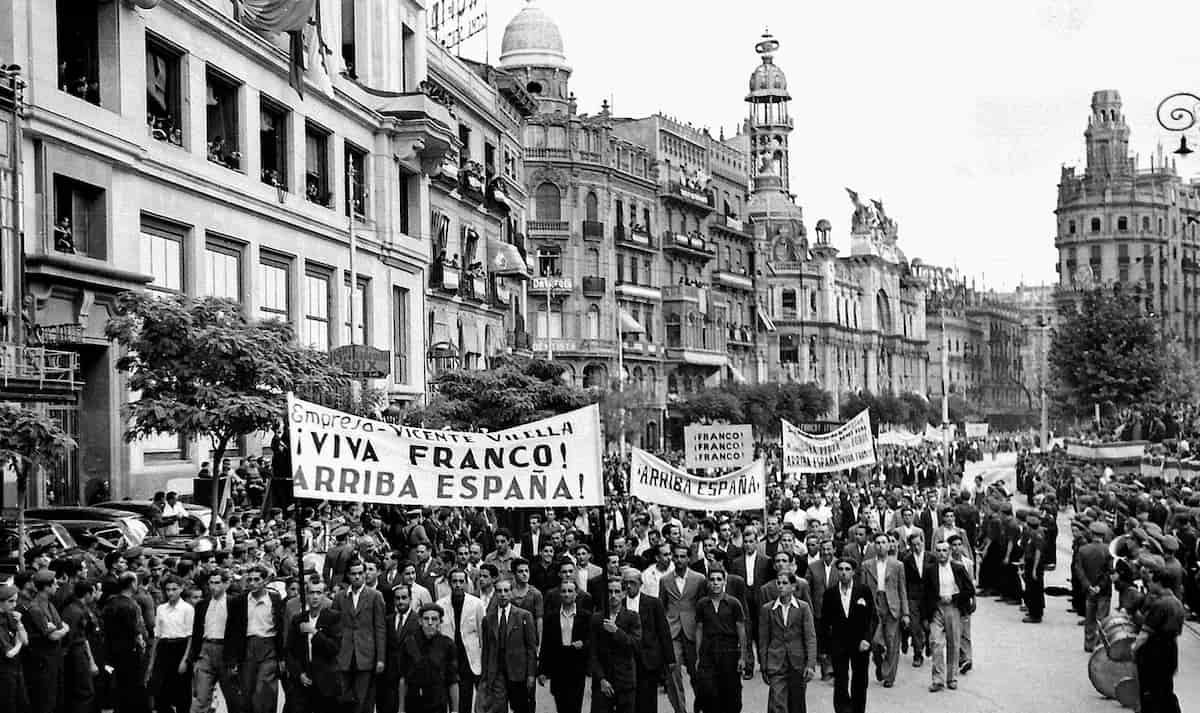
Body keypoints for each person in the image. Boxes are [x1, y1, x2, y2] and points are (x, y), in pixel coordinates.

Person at [821, 557, 875, 713]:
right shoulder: (830, 593)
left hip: (860, 642)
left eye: (847, 569)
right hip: (839, 642)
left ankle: (858, 710)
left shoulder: (863, 590)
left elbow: (871, 617)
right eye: (841, 569)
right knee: (841, 680)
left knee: (859, 680)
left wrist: (867, 639)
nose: (844, 573)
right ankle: (843, 710)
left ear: (853, 572)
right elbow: (824, 621)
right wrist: (824, 648)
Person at [333, 559, 387, 713]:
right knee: (343, 698)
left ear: (365, 574)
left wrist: (381, 658)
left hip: (366, 654)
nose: (357, 577)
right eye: (353, 574)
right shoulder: (340, 597)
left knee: (363, 700)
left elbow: (380, 628)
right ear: (348, 576)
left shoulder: (375, 596)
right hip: (344, 654)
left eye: (360, 573)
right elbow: (334, 627)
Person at [758, 572, 817, 713]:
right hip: (776, 662)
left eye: (785, 583)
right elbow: (764, 639)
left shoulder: (803, 608)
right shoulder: (768, 609)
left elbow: (810, 637)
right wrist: (764, 665)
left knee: (797, 704)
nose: (781, 586)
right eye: (778, 583)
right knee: (776, 703)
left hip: (797, 662)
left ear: (793, 586)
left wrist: (810, 664)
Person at [921, 541, 975, 692]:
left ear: (949, 552)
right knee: (936, 644)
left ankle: (951, 678)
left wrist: (954, 597)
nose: (941, 554)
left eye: (944, 550)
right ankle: (937, 680)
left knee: (953, 643)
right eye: (938, 551)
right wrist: (924, 617)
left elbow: (969, 589)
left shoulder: (958, 568)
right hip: (936, 608)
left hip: (953, 608)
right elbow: (924, 594)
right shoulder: (930, 570)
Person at [659, 543, 706, 713]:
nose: (679, 560)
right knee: (673, 672)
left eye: (682, 557)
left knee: (697, 674)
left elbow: (703, 607)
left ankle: (700, 705)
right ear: (672, 557)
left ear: (688, 558)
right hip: (673, 632)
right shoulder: (665, 580)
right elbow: (662, 606)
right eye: (676, 556)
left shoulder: (699, 579)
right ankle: (680, 710)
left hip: (692, 631)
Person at [1132, 564, 1185, 713]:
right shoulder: (1177, 603)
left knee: (1149, 690)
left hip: (1154, 651)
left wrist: (1134, 649)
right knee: (1166, 690)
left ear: (1158, 583)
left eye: (1151, 581)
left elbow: (1144, 634)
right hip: (1171, 650)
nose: (1149, 584)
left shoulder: (1160, 604)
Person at [231, 565, 284, 713]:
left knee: (264, 688)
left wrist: (282, 657)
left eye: (257, 579)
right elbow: (233, 629)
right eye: (250, 580)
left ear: (265, 580)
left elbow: (280, 627)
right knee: (247, 690)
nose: (252, 583)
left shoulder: (275, 599)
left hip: (269, 647)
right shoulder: (240, 601)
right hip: (247, 648)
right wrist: (233, 658)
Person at [480, 578, 537, 713]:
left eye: (506, 590)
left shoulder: (524, 616)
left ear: (512, 592)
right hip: (497, 671)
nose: (503, 594)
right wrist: (485, 675)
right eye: (499, 591)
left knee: (521, 707)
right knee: (498, 707)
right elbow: (486, 649)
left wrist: (531, 674)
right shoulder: (488, 618)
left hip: (518, 671)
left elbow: (531, 648)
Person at [286, 578, 343, 713]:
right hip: (304, 680)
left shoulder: (334, 617)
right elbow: (289, 651)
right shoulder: (298, 619)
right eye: (311, 593)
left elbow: (334, 648)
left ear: (324, 595)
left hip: (326, 681)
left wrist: (314, 632)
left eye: (319, 593)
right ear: (306, 595)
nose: (315, 597)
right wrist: (299, 673)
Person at [622, 568, 674, 713]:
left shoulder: (653, 603)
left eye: (632, 583)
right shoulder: (619, 603)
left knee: (648, 701)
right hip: (626, 660)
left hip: (648, 660)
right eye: (625, 583)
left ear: (640, 583)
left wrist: (670, 660)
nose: (628, 586)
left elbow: (663, 631)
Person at [694, 567, 746, 713]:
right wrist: (698, 655)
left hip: (729, 651)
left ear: (724, 581)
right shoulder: (702, 604)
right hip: (708, 651)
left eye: (719, 579)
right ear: (707, 583)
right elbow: (699, 629)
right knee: (708, 691)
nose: (715, 583)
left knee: (731, 691)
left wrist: (742, 656)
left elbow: (741, 630)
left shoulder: (734, 603)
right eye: (712, 579)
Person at [861, 533, 908, 688]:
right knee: (875, 641)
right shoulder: (867, 565)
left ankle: (889, 676)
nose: (880, 545)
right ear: (874, 545)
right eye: (878, 543)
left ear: (889, 545)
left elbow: (902, 590)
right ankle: (879, 662)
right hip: (874, 604)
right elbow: (862, 588)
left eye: (883, 542)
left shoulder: (897, 565)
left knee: (892, 642)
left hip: (892, 606)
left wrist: (905, 613)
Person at [537, 579, 591, 713]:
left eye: (570, 591)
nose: (567, 594)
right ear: (559, 594)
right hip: (558, 666)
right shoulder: (551, 617)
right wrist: (543, 670)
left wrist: (583, 644)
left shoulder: (585, 616)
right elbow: (546, 644)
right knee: (561, 705)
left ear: (576, 594)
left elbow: (591, 640)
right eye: (564, 591)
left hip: (577, 665)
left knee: (575, 705)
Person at [588, 577, 641, 713]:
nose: (613, 596)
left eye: (617, 591)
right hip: (603, 680)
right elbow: (592, 653)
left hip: (625, 680)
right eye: (610, 592)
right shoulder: (596, 618)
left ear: (623, 594)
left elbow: (635, 645)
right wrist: (601, 679)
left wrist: (617, 631)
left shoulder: (632, 617)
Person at [436, 569, 485, 713]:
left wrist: (482, 659)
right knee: (447, 699)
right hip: (448, 657)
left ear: (466, 583)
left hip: (467, 658)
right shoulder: (440, 604)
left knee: (465, 699)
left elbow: (482, 634)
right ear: (449, 583)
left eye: (461, 581)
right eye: (454, 581)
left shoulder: (476, 604)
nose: (458, 585)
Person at [396, 604, 460, 713]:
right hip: (414, 701)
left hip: (438, 702)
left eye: (434, 619)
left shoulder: (447, 644)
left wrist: (455, 710)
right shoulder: (409, 642)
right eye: (426, 619)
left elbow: (453, 680)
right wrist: (401, 709)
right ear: (420, 621)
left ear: (440, 622)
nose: (430, 623)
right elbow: (403, 678)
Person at [147, 576, 193, 713]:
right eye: (168, 590)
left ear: (181, 589)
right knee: (161, 692)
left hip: (181, 647)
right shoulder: (161, 609)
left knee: (182, 692)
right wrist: (152, 661)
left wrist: (185, 660)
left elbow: (190, 636)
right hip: (164, 649)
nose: (171, 593)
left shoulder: (187, 609)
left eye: (174, 589)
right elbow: (157, 635)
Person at [25, 568, 68, 713]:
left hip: (53, 658)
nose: (57, 586)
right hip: (43, 662)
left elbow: (59, 626)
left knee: (56, 698)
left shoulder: (49, 604)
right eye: (55, 584)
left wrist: (58, 629)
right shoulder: (35, 608)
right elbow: (53, 635)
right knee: (45, 701)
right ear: (46, 587)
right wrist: (63, 630)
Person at [105, 571, 150, 713]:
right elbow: (137, 631)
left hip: (113, 651)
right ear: (132, 584)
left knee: (120, 687)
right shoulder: (131, 605)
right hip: (131, 653)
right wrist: (142, 645)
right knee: (134, 687)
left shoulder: (111, 602)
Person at [376, 584, 419, 713]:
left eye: (404, 598)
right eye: (397, 598)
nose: (400, 601)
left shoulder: (418, 620)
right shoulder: (387, 620)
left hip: (410, 676)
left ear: (410, 599)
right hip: (389, 676)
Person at [1074, 521, 1112, 652]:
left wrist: (1088, 585)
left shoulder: (1083, 549)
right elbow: (1109, 572)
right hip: (1104, 590)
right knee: (1102, 619)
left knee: (1089, 618)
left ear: (1091, 533)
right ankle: (1100, 645)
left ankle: (1089, 644)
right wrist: (1100, 586)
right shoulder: (1108, 550)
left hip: (1089, 591)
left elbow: (1078, 569)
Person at [0, 583, 30, 713]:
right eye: (10, 601)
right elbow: (9, 653)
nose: (14, 605)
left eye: (15, 601)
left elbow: (26, 640)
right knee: (8, 705)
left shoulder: (10, 616)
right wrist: (18, 644)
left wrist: (20, 623)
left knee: (22, 703)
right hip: (4, 671)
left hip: (16, 668)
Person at [1021, 512, 1046, 623]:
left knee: (1035, 588)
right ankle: (1032, 610)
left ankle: (1036, 614)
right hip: (1030, 563)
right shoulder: (1034, 533)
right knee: (1031, 587)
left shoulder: (1037, 535)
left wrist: (1035, 568)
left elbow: (1038, 552)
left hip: (1035, 564)